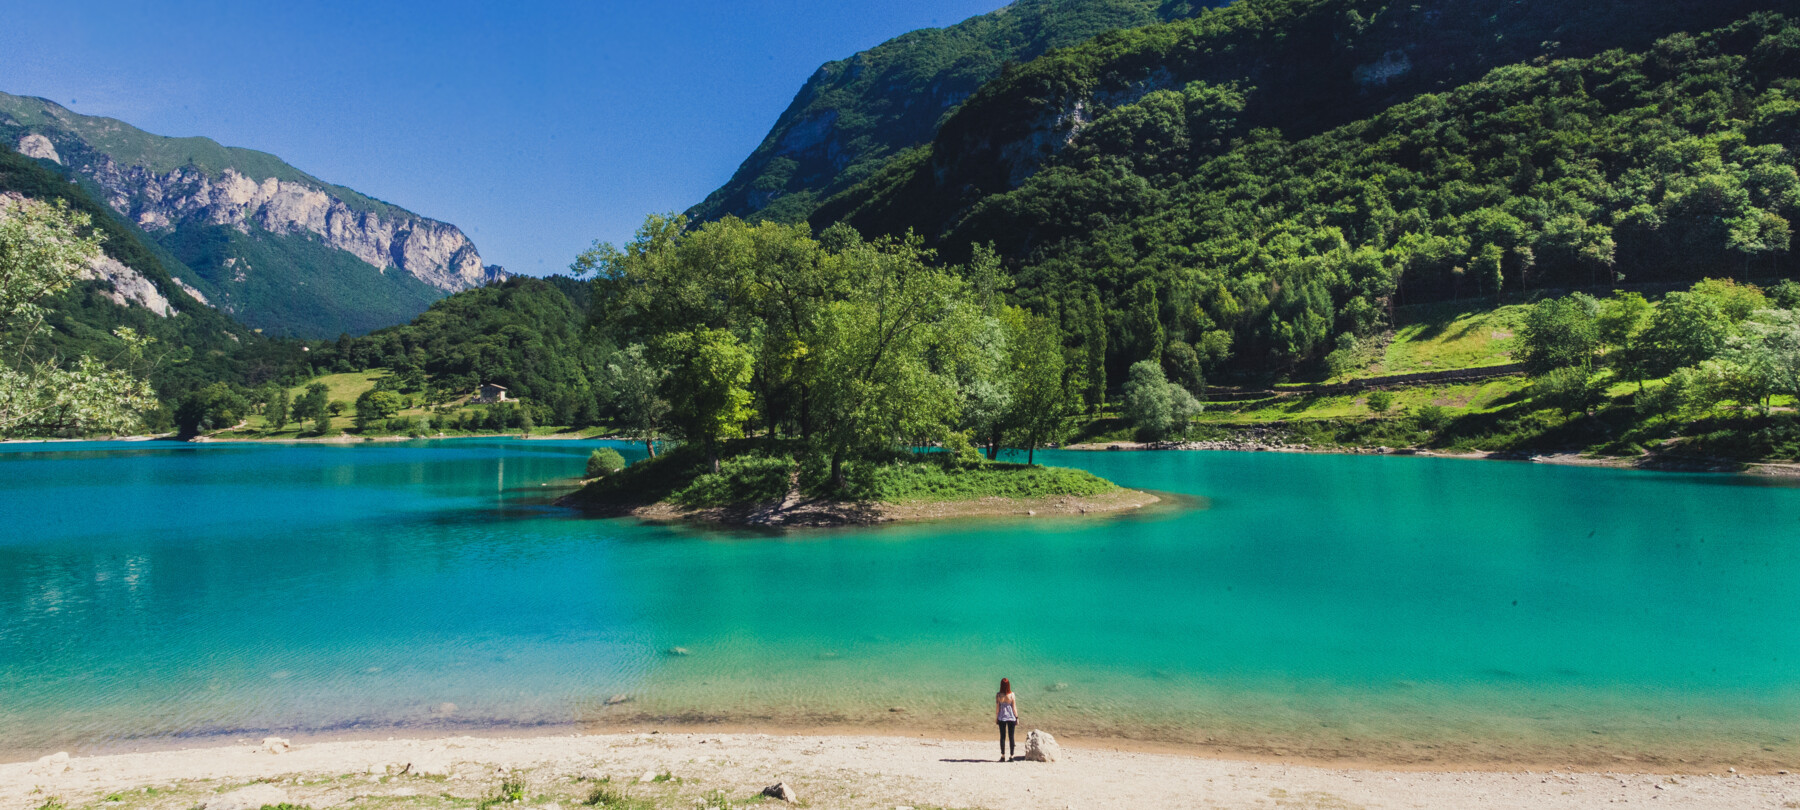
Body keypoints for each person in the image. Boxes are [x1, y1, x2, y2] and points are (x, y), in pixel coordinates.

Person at [995, 677, 1018, 761]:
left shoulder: (998, 695)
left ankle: (1003, 756)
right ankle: (1011, 756)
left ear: (1001, 685)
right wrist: (1017, 717)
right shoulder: (1012, 695)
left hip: (1001, 718)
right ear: (1008, 685)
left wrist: (996, 717)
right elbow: (1014, 708)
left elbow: (997, 708)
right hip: (1011, 718)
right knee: (1011, 737)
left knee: (1002, 737)